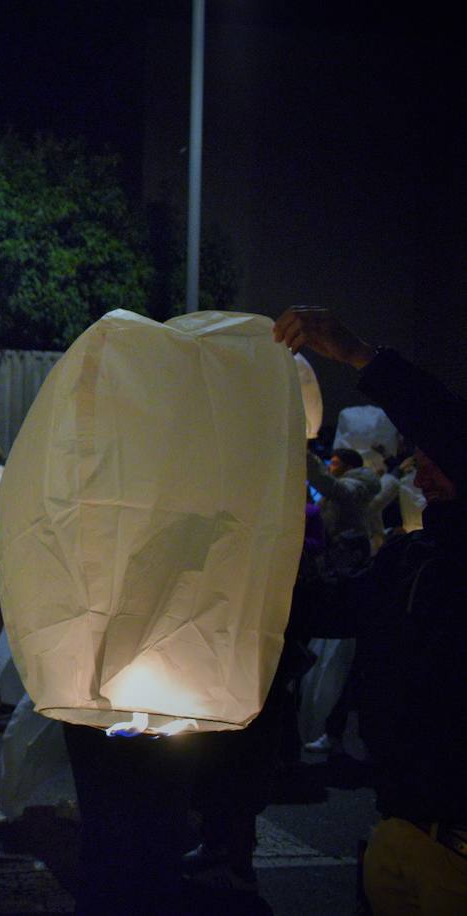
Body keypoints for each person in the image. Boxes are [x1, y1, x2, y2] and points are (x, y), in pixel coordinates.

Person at [274, 306, 467, 915]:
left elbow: (449, 425)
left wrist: (361, 356)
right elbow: (323, 607)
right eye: (419, 454)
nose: (425, 469)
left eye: (439, 454)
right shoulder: (408, 562)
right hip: (395, 836)